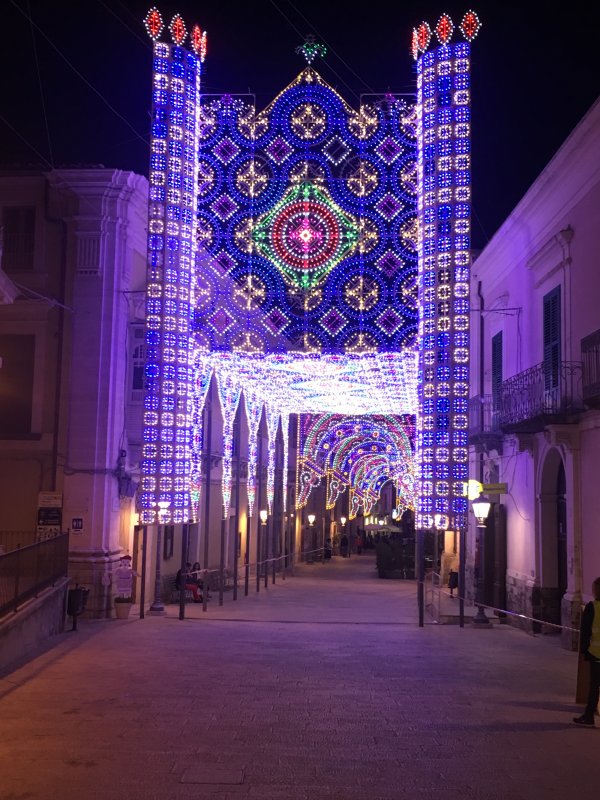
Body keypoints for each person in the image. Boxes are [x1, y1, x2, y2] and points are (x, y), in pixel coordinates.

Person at [573, 576, 600, 727]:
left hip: (596, 653)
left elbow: (586, 632)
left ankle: (589, 716)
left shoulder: (592, 607)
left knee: (594, 686)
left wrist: (584, 651)